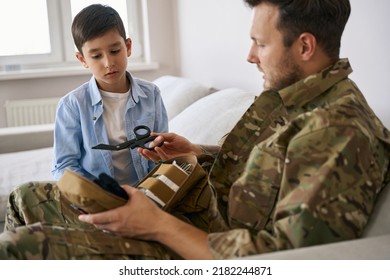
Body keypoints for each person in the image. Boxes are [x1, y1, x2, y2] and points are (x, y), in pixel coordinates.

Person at [0, 0, 389, 260]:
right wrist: (195, 151)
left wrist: (156, 225)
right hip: (184, 208)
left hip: (196, 244)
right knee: (24, 197)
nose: (249, 56)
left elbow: (284, 258)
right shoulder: (291, 98)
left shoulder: (339, 131)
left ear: (304, 47)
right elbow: (266, 169)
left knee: (20, 247)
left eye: (260, 44)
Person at [51, 4, 168, 186]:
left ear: (128, 47)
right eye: (96, 56)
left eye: (115, 51)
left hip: (146, 194)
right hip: (98, 199)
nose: (108, 62)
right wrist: (97, 196)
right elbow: (64, 166)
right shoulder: (72, 105)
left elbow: (163, 152)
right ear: (83, 60)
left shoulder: (151, 94)